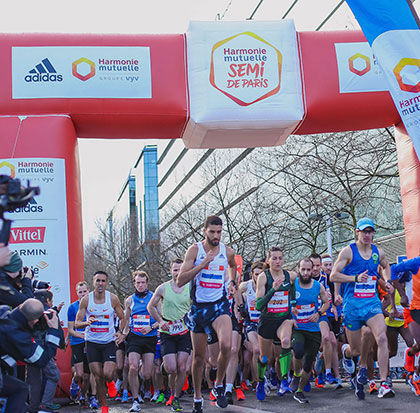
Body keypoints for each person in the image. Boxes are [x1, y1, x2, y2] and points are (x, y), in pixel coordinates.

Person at [177, 215, 237, 413]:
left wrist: (232, 281)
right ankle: (197, 397)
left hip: (219, 305)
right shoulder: (195, 250)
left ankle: (218, 385)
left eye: (219, 232)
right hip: (199, 309)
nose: (216, 236)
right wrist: (202, 265)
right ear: (204, 231)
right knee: (199, 358)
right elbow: (180, 280)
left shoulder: (227, 251)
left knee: (227, 345)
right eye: (212, 232)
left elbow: (233, 266)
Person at [331, 217, 395, 399]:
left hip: (371, 303)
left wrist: (387, 281)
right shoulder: (348, 252)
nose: (367, 235)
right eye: (364, 231)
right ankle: (347, 353)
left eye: (370, 232)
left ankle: (384, 383)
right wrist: (354, 278)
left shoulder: (378, 252)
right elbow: (334, 275)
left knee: (381, 337)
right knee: (356, 350)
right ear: (357, 232)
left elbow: (385, 266)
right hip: (352, 305)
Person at [75, 271, 125, 413]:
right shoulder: (86, 300)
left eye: (103, 281)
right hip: (92, 342)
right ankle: (104, 406)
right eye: (98, 280)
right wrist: (86, 323)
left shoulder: (113, 299)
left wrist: (120, 332)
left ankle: (110, 382)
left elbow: (122, 317)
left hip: (108, 341)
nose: (100, 283)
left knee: (108, 374)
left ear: (107, 282)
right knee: (97, 376)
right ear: (93, 282)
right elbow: (77, 323)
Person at [0, 298, 62, 413]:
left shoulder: (3, 312)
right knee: (19, 390)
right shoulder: (18, 336)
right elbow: (41, 360)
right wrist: (54, 330)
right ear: (34, 320)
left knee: (18, 388)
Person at [147, 258, 191, 412]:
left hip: (184, 332)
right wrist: (160, 321)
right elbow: (150, 306)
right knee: (172, 368)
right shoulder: (163, 288)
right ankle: (167, 376)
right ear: (171, 271)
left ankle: (176, 398)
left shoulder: (190, 286)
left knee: (182, 367)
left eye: (180, 269)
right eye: (175, 270)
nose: (178, 273)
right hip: (167, 332)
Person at [255, 246, 297, 400]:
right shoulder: (263, 277)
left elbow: (293, 291)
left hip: (283, 319)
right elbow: (258, 306)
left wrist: (294, 305)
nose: (278, 261)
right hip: (267, 320)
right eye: (274, 258)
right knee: (264, 357)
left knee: (286, 341)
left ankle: (284, 380)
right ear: (268, 260)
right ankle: (260, 382)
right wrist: (273, 290)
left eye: (280, 258)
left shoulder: (289, 275)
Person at [290, 257, 330, 403]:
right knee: (298, 350)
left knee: (308, 364)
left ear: (313, 270)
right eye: (303, 269)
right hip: (298, 327)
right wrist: (291, 311)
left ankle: (299, 391)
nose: (306, 272)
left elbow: (326, 303)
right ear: (298, 270)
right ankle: (296, 375)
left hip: (313, 329)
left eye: (308, 269)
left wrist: (319, 313)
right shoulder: (293, 285)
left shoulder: (318, 286)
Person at [121, 270, 159, 413]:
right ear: (134, 283)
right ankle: (135, 400)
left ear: (147, 283)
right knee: (132, 367)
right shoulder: (129, 300)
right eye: (138, 283)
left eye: (143, 283)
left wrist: (151, 327)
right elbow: (126, 320)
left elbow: (162, 319)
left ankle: (141, 378)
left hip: (150, 337)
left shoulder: (154, 298)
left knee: (147, 374)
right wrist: (123, 333)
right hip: (135, 337)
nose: (140, 285)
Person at [26, 289, 64, 413]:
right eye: (51, 300)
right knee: (53, 375)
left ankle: (33, 408)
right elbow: (57, 332)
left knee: (34, 380)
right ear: (47, 300)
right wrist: (62, 344)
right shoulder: (50, 314)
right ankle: (45, 406)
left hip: (29, 349)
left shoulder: (28, 312)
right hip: (44, 350)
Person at [67, 281, 96, 407]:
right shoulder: (72, 308)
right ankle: (74, 383)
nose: (83, 294)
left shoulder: (94, 306)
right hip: (77, 342)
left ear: (88, 291)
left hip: (91, 342)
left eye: (85, 291)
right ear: (77, 293)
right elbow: (71, 330)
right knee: (79, 374)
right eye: (80, 292)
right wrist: (82, 335)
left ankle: (87, 396)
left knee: (89, 374)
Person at [238, 261, 264, 388]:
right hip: (251, 322)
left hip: (263, 322)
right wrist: (241, 307)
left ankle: (260, 378)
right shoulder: (246, 285)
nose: (258, 277)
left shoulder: (267, 285)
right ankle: (258, 382)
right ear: (252, 274)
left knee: (264, 354)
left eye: (261, 274)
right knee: (256, 350)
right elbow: (236, 292)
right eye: (256, 274)